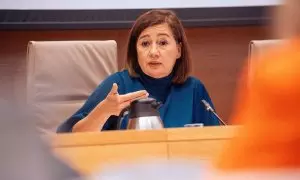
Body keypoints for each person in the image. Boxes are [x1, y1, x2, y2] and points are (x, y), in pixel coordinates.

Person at [57, 9, 219, 133]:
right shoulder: (118, 85)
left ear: (178, 50)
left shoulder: (194, 89)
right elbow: (69, 138)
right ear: (135, 51)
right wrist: (103, 112)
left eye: (162, 42)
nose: (154, 52)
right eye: (145, 44)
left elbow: (216, 142)